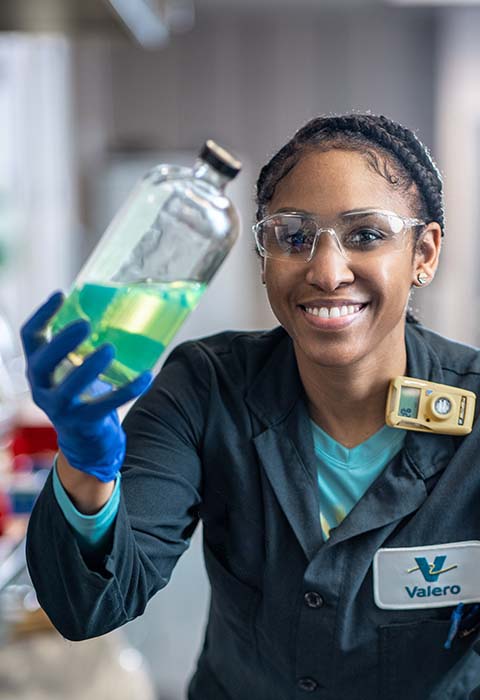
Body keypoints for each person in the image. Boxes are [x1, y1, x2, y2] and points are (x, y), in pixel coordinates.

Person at [21, 113, 480, 699]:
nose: (326, 271)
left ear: (425, 252)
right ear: (263, 256)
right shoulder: (206, 387)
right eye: (293, 236)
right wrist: (84, 462)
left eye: (366, 235)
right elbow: (90, 607)